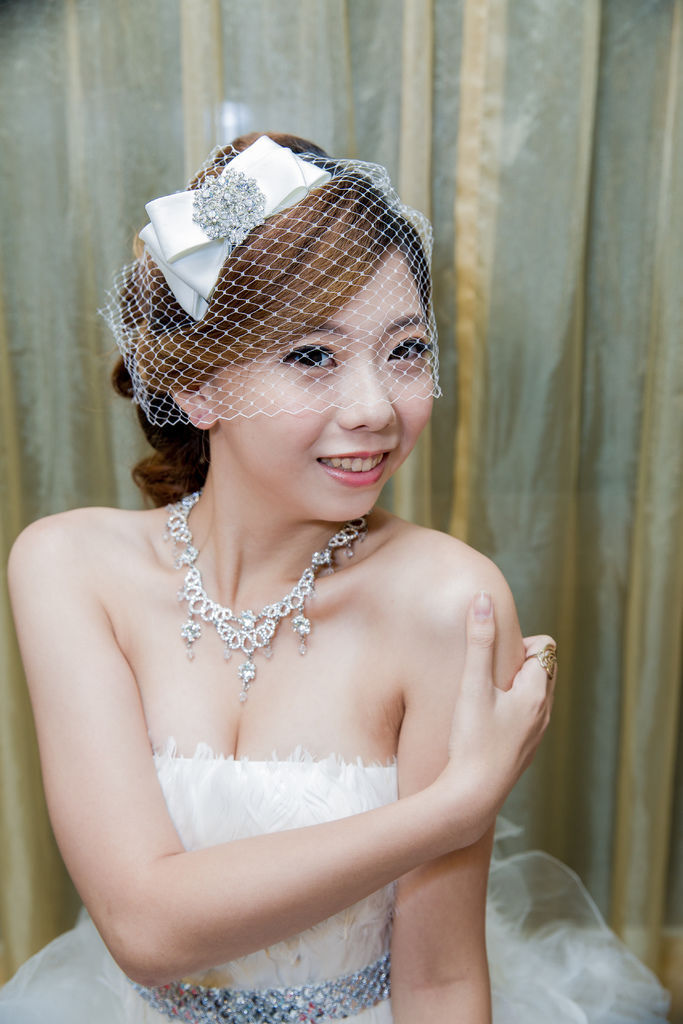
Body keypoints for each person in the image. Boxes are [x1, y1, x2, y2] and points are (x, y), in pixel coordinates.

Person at [0, 133, 668, 1023]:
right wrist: (452, 808)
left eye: (406, 350)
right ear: (196, 388)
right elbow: (144, 929)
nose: (375, 409)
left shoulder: (449, 605)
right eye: (313, 355)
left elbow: (438, 980)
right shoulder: (68, 566)